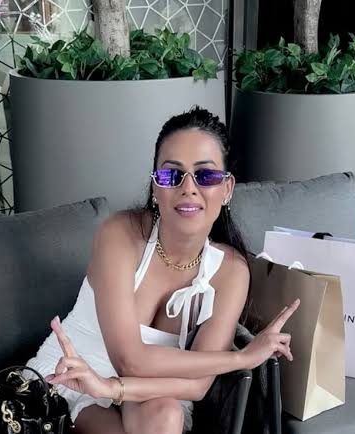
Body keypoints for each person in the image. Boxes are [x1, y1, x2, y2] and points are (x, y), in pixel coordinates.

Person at [26, 106, 299, 434]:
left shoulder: (231, 270)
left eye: (205, 175)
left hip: (153, 390)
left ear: (227, 189)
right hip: (72, 376)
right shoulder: (121, 234)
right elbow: (129, 360)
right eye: (172, 175)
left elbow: (198, 386)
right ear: (156, 187)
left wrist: (111, 388)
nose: (189, 188)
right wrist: (243, 359)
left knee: (167, 415)